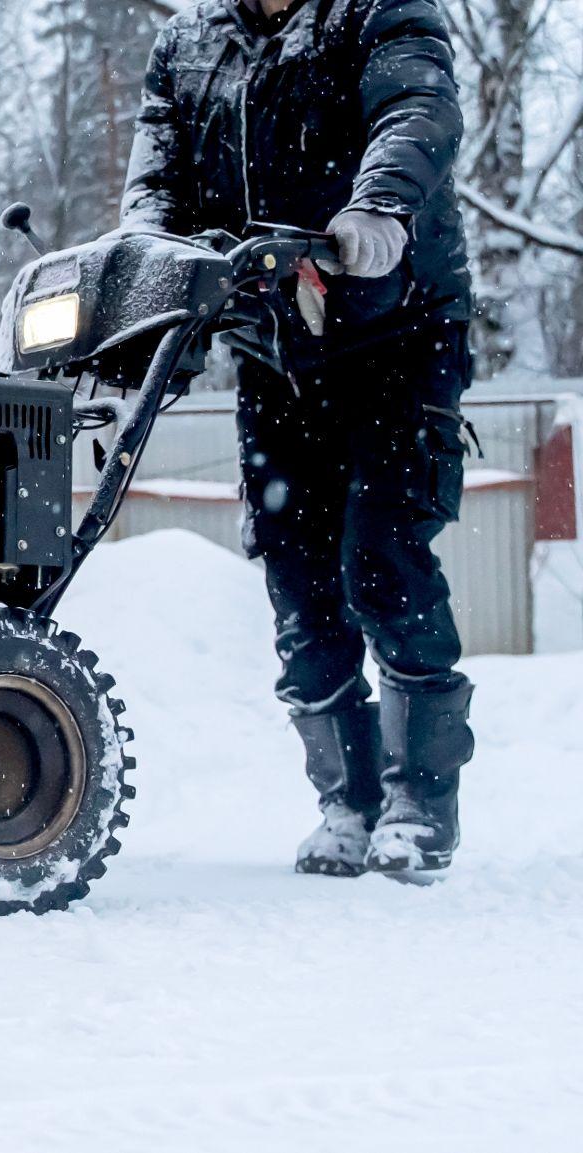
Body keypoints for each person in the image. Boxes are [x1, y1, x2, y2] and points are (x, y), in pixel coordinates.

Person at [120, 0, 475, 875]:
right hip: (274, 340)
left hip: (398, 328)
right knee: (297, 573)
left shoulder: (377, 12)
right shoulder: (188, 44)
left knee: (381, 557)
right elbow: (154, 191)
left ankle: (418, 801)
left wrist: (379, 209)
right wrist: (145, 278)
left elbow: (415, 108)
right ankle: (346, 800)